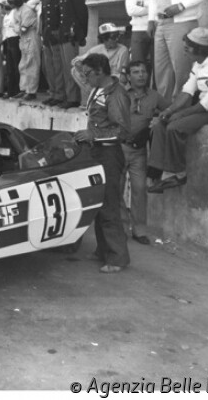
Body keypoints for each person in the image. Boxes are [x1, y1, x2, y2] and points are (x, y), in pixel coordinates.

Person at [146, 28, 208, 192]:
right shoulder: (197, 66)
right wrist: (170, 110)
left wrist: (181, 114)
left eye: (187, 48)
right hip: (203, 108)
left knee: (175, 127)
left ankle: (179, 174)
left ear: (198, 49)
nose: (185, 51)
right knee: (161, 123)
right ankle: (156, 173)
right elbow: (187, 91)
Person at [73, 53, 131, 273]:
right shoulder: (99, 89)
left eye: (88, 74)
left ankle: (117, 257)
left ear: (100, 71)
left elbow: (122, 131)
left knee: (108, 204)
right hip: (98, 152)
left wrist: (93, 135)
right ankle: (104, 249)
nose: (85, 78)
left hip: (109, 154)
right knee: (99, 203)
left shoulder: (116, 94)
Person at [121, 60, 169, 244]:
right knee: (116, 189)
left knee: (140, 190)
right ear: (128, 76)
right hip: (119, 147)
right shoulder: (120, 93)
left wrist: (159, 120)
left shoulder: (154, 96)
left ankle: (139, 231)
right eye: (135, 72)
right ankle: (121, 228)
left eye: (143, 71)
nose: (140, 75)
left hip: (138, 150)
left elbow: (171, 110)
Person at [52, 0, 88, 108]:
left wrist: (81, 35)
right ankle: (68, 96)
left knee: (71, 67)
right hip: (63, 35)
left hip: (71, 36)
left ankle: (74, 98)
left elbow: (82, 14)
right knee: (65, 68)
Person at [72, 23, 130, 92]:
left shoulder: (123, 49)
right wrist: (79, 64)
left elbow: (122, 72)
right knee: (74, 70)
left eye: (118, 36)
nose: (117, 39)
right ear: (105, 39)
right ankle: (94, 93)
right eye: (113, 37)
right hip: (98, 77)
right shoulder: (96, 49)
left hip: (113, 79)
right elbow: (77, 60)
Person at [6, 0, 41, 101]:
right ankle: (24, 89)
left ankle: (31, 91)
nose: (10, 4)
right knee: (23, 65)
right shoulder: (16, 11)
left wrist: (15, 26)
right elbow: (17, 27)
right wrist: (17, 27)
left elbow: (23, 28)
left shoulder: (27, 10)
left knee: (32, 64)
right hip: (24, 40)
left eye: (12, 2)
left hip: (31, 38)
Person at [125, 0, 156, 72]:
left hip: (157, 29)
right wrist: (153, 8)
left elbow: (162, 7)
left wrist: (142, 3)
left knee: (158, 67)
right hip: (138, 31)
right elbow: (131, 10)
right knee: (137, 67)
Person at [39, 0, 65, 106]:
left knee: (58, 66)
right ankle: (52, 92)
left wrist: (59, 32)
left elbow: (63, 17)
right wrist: (43, 34)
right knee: (48, 66)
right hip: (47, 36)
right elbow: (44, 17)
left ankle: (60, 94)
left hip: (56, 36)